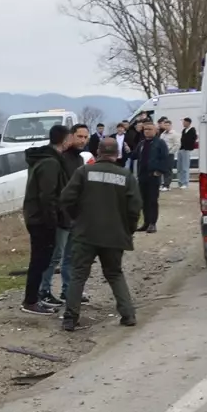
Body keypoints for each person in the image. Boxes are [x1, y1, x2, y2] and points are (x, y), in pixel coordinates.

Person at [60, 138, 142, 332]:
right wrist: (128, 229)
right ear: (117, 154)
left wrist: (76, 219)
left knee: (78, 275)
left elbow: (65, 198)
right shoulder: (126, 176)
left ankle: (70, 319)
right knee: (114, 274)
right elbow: (134, 208)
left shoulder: (83, 172)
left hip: (85, 233)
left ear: (98, 152)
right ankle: (128, 315)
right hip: (114, 235)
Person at [21, 124, 73, 316]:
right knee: (40, 260)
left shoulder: (45, 159)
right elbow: (48, 195)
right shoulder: (50, 162)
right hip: (41, 220)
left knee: (42, 260)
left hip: (37, 217)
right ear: (65, 140)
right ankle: (31, 301)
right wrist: (52, 222)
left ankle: (35, 298)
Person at [38, 124, 92, 308]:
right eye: (79, 136)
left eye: (86, 137)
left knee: (71, 256)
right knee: (55, 256)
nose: (82, 140)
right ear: (70, 137)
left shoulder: (79, 159)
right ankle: (43, 291)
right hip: (61, 216)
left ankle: (68, 290)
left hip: (74, 216)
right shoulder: (59, 159)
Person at [135, 122, 171, 232]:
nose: (147, 131)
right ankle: (146, 223)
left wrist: (160, 171)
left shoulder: (160, 143)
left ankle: (152, 223)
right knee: (143, 200)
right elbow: (135, 155)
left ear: (155, 131)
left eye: (149, 129)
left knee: (152, 200)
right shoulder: (141, 144)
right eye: (145, 129)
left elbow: (165, 158)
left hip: (153, 176)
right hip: (142, 176)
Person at [158, 119, 180, 191]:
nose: (166, 127)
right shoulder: (163, 134)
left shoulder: (174, 134)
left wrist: (170, 152)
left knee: (168, 170)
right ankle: (163, 184)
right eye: (165, 125)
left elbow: (177, 145)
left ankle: (167, 185)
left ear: (170, 125)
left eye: (168, 125)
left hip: (169, 154)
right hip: (162, 154)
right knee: (162, 169)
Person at [178, 118, 198, 189]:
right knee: (179, 167)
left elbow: (193, 139)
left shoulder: (192, 130)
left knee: (185, 167)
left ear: (188, 122)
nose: (183, 123)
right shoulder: (184, 130)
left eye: (184, 122)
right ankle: (180, 182)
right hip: (181, 149)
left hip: (187, 150)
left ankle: (185, 183)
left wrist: (189, 146)